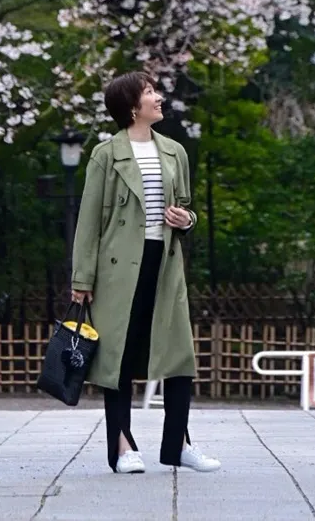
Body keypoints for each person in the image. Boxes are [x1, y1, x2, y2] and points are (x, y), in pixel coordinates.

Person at [70, 71, 221, 474]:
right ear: (133, 106)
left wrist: (184, 218)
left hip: (165, 263)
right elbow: (88, 221)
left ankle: (179, 445)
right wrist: (82, 280)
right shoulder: (106, 154)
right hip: (117, 271)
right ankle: (122, 448)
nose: (158, 97)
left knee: (179, 357)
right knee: (117, 358)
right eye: (150, 92)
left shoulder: (175, 152)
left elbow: (187, 207)